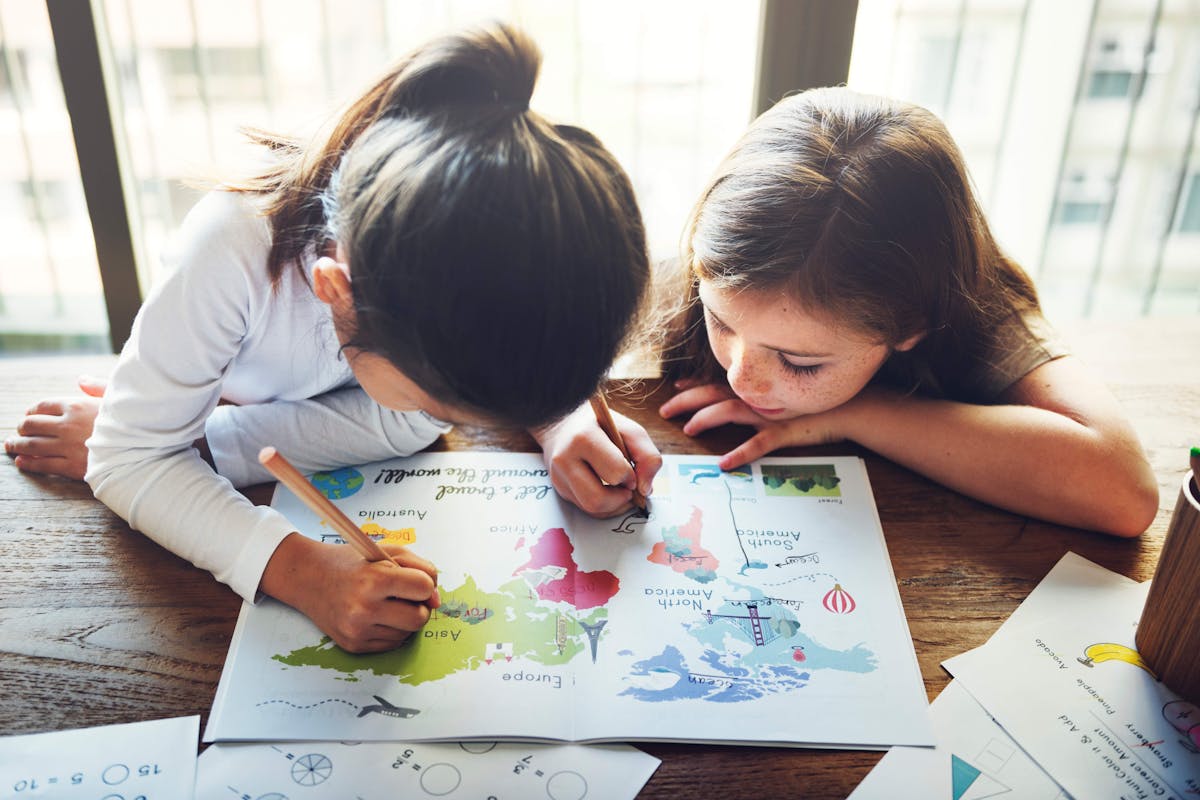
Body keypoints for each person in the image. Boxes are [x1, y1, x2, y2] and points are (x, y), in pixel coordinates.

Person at [4, 22, 653, 652]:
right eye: (440, 398)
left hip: (320, 405)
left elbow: (429, 406)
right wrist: (303, 571)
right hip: (239, 393)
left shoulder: (492, 238)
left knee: (409, 426)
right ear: (334, 289)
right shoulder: (230, 247)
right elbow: (128, 460)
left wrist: (559, 420)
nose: (447, 419)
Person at [651, 86, 1157, 538]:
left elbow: (1124, 493)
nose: (743, 378)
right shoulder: (717, 263)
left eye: (801, 362)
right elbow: (569, 301)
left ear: (913, 325)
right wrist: (570, 422)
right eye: (720, 321)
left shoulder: (981, 311)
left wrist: (855, 413)